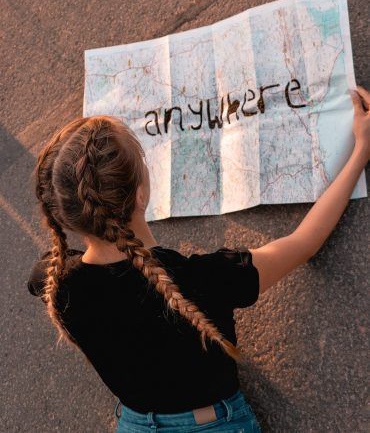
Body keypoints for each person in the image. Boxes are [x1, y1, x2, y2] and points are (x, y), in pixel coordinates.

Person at [27, 85, 370, 433]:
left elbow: (38, 276)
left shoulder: (57, 282)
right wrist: (360, 151)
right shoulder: (204, 279)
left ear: (66, 215)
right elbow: (303, 243)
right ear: (142, 194)